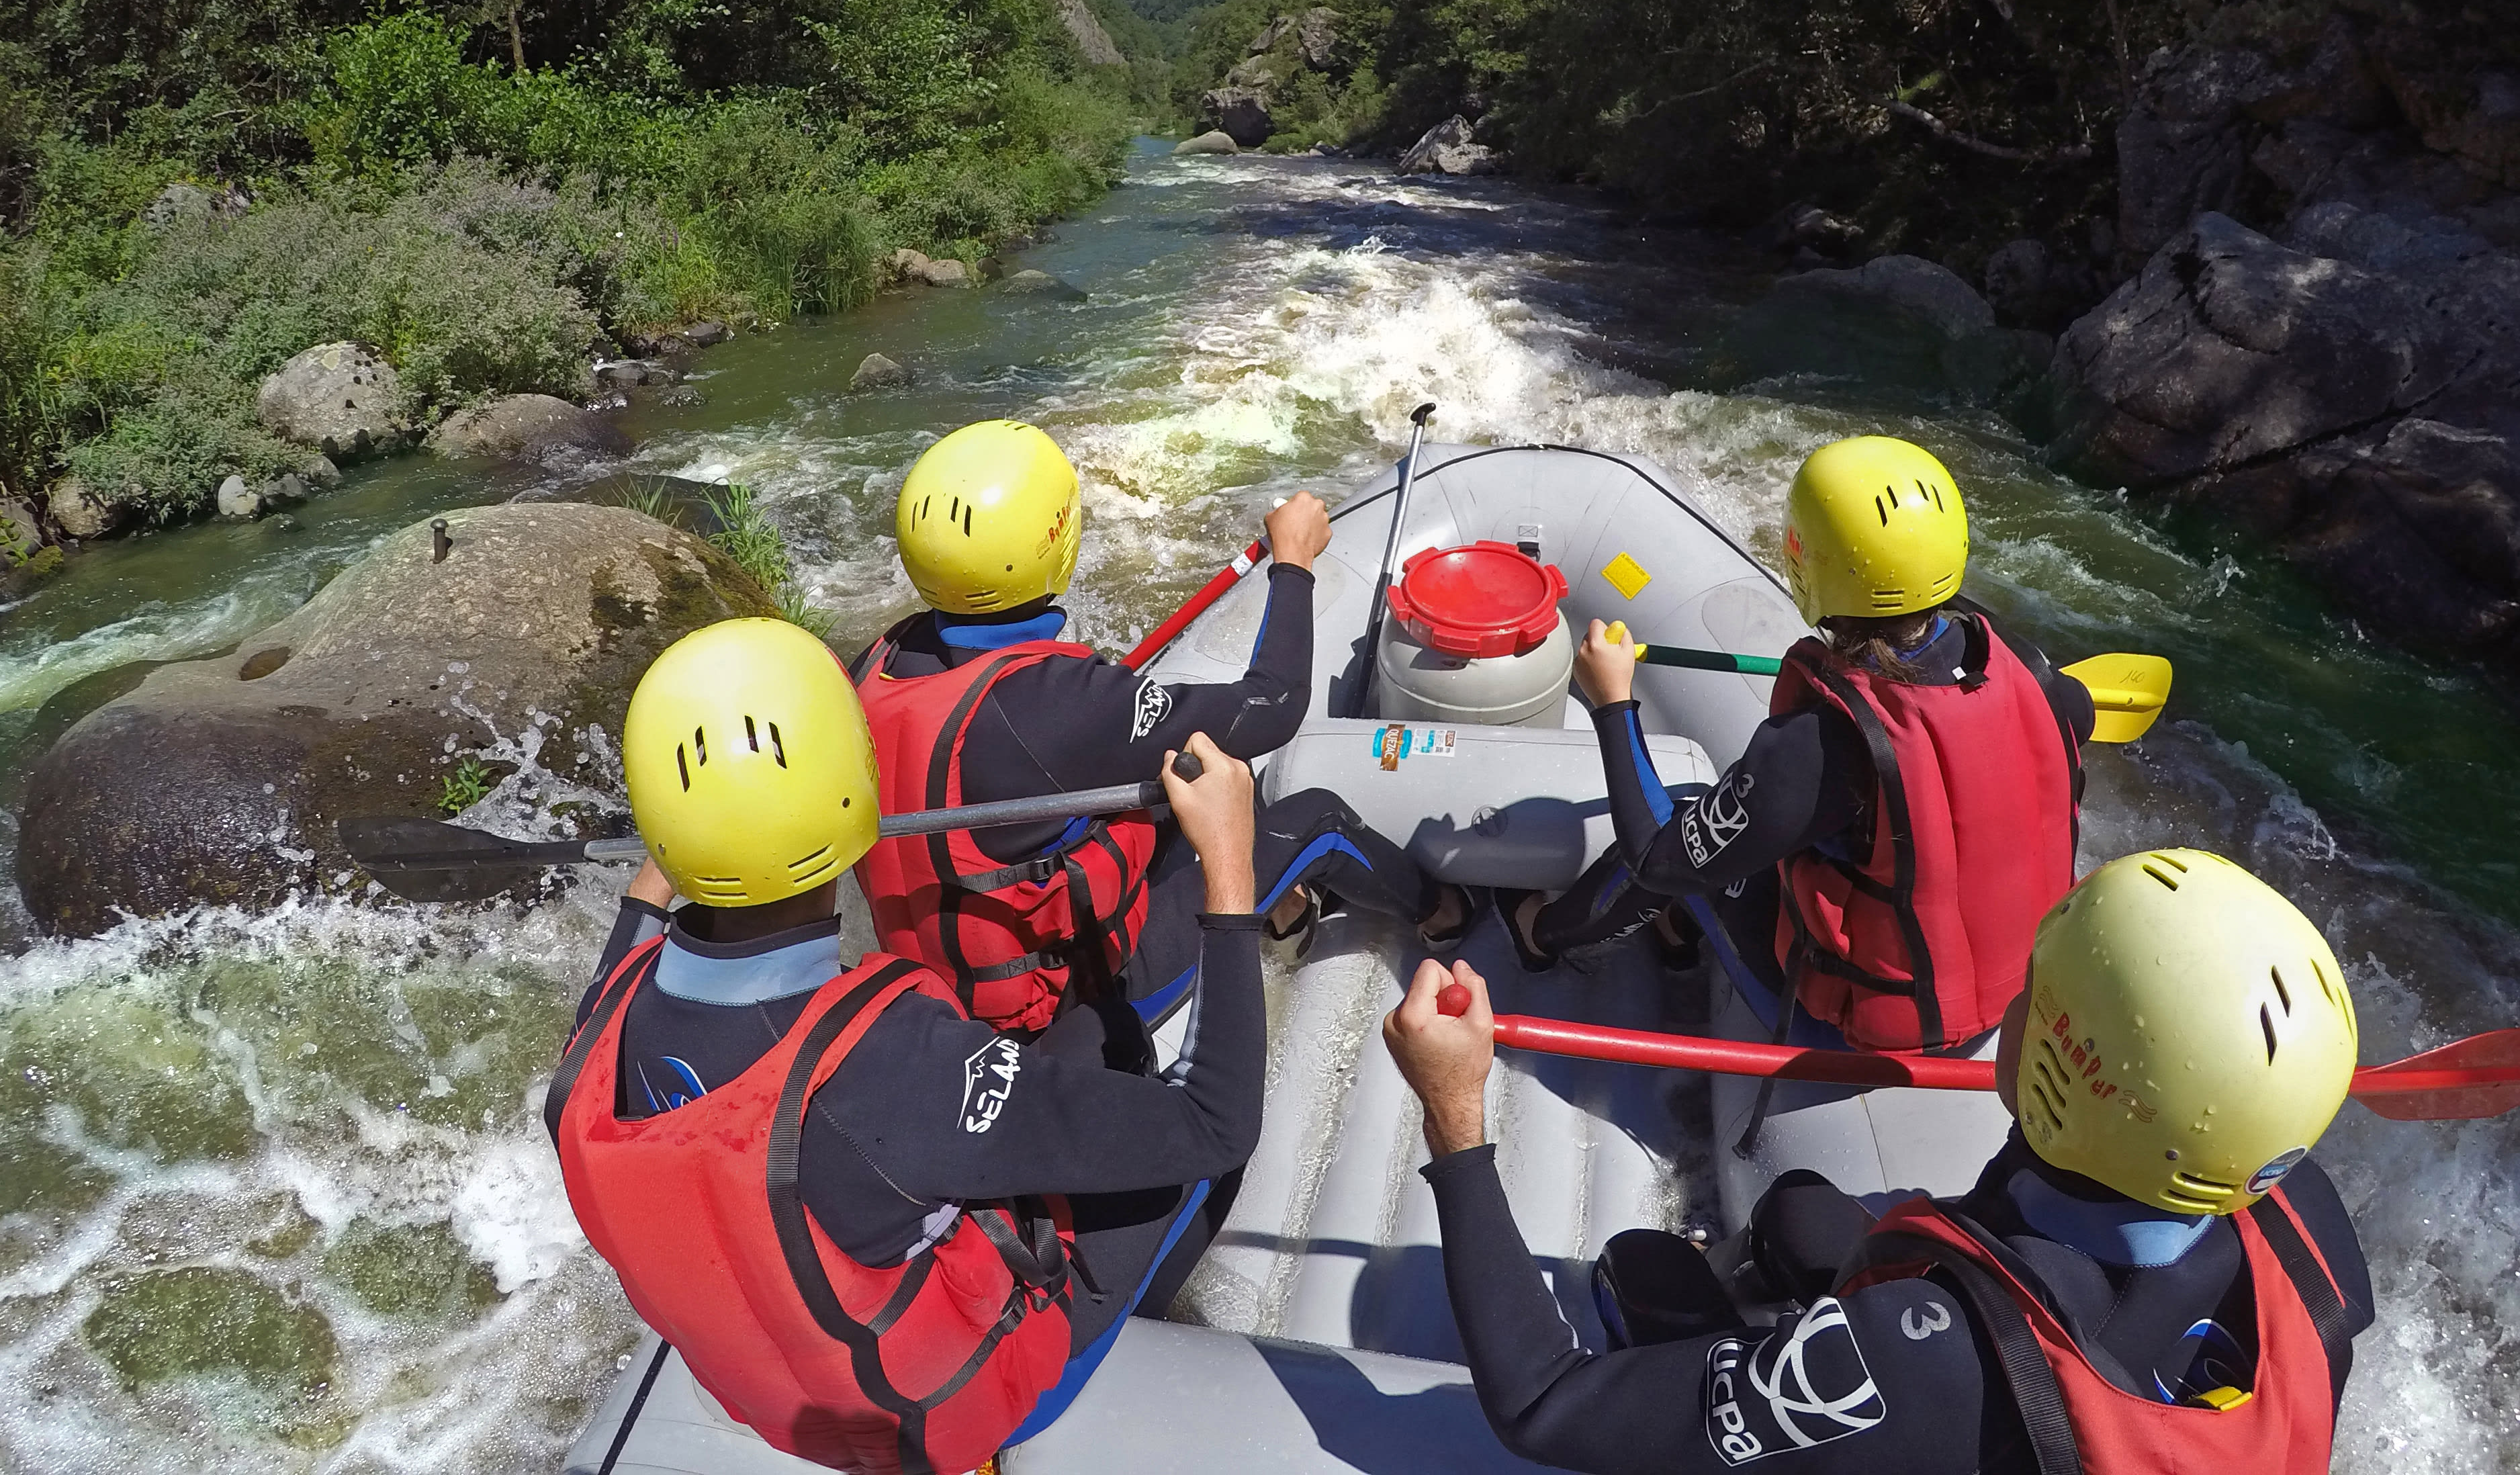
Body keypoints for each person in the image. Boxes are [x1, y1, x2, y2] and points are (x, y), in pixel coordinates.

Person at [549, 618, 1275, 1475]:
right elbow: (1218, 1122)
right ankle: (1117, 1325)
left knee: (1081, 1034)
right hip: (946, 1412)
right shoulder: (897, 1065)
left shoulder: (591, 1042)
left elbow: (641, 920)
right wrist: (1230, 878)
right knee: (1162, 1100)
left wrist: (697, 835)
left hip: (778, 1395)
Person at [1384, 848, 2375, 1474]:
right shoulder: (2306, 1216)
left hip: (1977, 1395)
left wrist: (1454, 1116)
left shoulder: (1917, 1359)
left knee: (1646, 1273)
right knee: (1800, 1218)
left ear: (2062, 1069)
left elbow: (1542, 1402)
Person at [851, 417, 1463, 1036]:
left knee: (1211, 771)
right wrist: (1293, 562)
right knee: (1320, 819)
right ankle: (1442, 912)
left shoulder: (875, 664)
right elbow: (1274, 703)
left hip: (940, 992)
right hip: (1077, 1008)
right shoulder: (1060, 702)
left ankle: (1285, 916)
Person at [1508, 435, 2093, 1058]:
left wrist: (1612, 701)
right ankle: (1679, 931)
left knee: (1681, 811)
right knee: (1817, 833)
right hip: (2014, 989)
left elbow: (1657, 854)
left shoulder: (1825, 748)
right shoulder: (2037, 678)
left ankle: (1541, 935)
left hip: (1885, 1014)